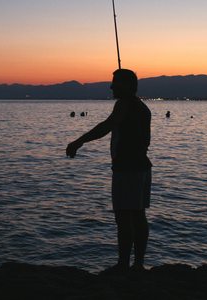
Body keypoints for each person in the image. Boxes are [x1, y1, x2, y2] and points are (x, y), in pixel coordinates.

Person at [66, 69, 152, 276]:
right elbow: (147, 141)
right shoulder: (144, 107)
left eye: (115, 83)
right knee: (139, 216)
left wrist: (79, 141)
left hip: (127, 168)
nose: (111, 87)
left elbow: (107, 126)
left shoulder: (122, 104)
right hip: (143, 167)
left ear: (126, 85)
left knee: (123, 217)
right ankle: (138, 264)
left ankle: (123, 265)